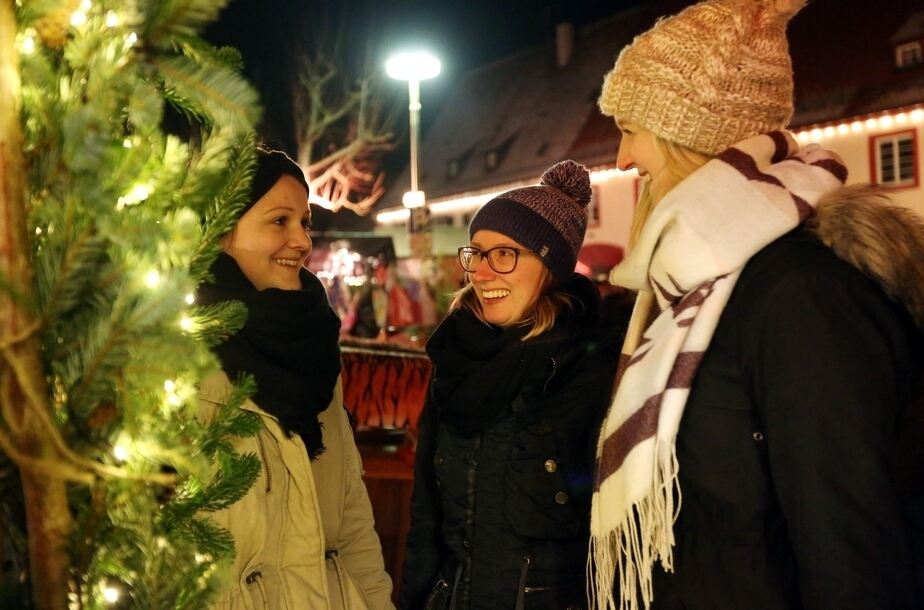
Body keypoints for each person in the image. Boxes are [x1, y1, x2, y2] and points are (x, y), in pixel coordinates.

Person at [587, 1, 924, 609]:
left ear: (693, 136)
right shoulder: (695, 285)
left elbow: (850, 549)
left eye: (632, 130)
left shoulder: (803, 295)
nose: (622, 160)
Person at [400, 161, 619, 610]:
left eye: (504, 254)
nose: (481, 272)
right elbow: (427, 517)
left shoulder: (589, 368)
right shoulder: (454, 357)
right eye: (477, 253)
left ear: (550, 265)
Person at [196, 148, 394, 609]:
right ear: (223, 230)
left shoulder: (316, 348)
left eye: (303, 222)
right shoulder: (173, 358)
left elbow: (352, 524)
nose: (303, 241)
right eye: (279, 221)